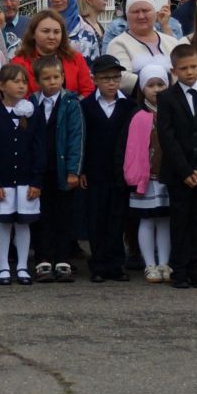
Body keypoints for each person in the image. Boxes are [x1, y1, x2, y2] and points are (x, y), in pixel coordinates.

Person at [155, 44, 197, 290]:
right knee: (180, 221)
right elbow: (167, 137)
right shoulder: (166, 98)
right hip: (178, 173)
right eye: (184, 68)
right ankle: (180, 270)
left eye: (193, 67)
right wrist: (185, 171)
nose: (190, 72)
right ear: (174, 71)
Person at [0, 63, 44, 285]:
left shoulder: (33, 111)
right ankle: (5, 266)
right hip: (3, 181)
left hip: (27, 180)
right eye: (15, 81)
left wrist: (37, 180)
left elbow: (39, 147)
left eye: (24, 81)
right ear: (1, 85)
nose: (21, 85)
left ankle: (24, 266)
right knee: (4, 223)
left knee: (23, 223)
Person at [77, 54, 132, 284]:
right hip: (95, 172)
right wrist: (81, 170)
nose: (111, 83)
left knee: (117, 218)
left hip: (120, 172)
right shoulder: (86, 106)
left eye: (116, 78)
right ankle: (98, 264)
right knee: (96, 219)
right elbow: (82, 139)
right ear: (95, 79)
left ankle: (116, 264)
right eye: (106, 78)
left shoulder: (129, 106)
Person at [28, 53, 83, 282]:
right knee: (41, 215)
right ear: (38, 81)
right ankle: (42, 259)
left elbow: (76, 138)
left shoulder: (70, 103)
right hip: (40, 171)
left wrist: (73, 171)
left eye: (56, 77)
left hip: (62, 170)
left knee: (63, 215)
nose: (52, 82)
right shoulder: (30, 104)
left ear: (63, 77)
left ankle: (62, 259)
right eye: (47, 78)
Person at [122, 60, 174, 283]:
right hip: (146, 177)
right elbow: (132, 149)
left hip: (167, 176)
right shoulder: (138, 115)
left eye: (160, 85)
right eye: (151, 85)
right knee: (147, 219)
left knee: (164, 220)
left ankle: (164, 263)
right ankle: (149, 264)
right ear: (143, 88)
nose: (156, 90)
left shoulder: (172, 113)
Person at [6, 8, 94, 97]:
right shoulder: (19, 63)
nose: (52, 37)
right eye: (46, 31)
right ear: (33, 33)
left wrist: (72, 106)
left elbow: (88, 90)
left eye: (56, 32)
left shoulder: (75, 58)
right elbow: (16, 97)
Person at [106, 0, 174, 92]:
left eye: (146, 10)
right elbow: (121, 77)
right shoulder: (117, 44)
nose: (141, 16)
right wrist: (159, 84)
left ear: (155, 12)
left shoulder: (172, 42)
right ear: (127, 15)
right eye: (135, 12)